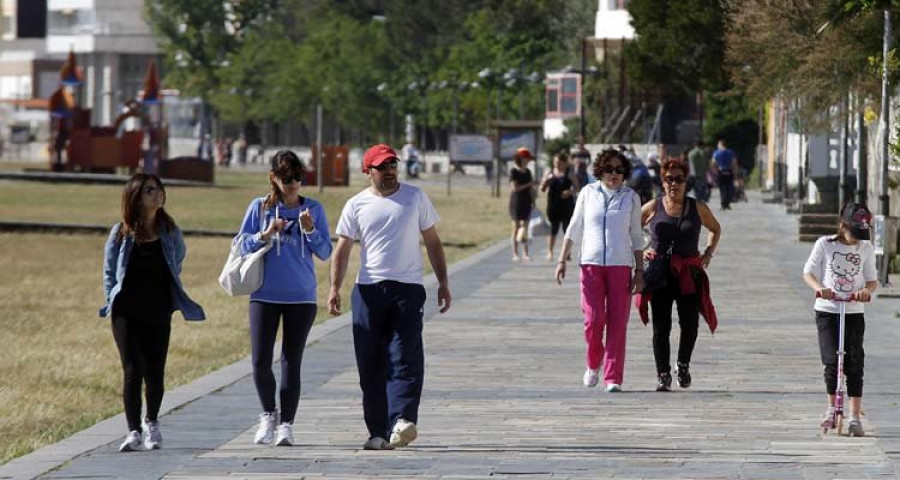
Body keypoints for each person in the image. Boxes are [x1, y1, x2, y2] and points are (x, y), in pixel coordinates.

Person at [328, 143, 452, 450]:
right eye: (383, 167)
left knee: (406, 357)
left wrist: (443, 282)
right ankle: (377, 432)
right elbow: (342, 251)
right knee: (370, 364)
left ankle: (402, 420)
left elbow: (433, 243)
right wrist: (334, 288)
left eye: (393, 165)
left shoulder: (415, 197)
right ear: (368, 171)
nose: (390, 171)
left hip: (407, 291)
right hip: (368, 292)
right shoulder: (355, 205)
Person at [233, 150, 333, 447]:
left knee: (292, 361)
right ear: (273, 178)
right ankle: (268, 415)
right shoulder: (260, 207)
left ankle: (287, 424)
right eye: (287, 179)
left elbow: (326, 252)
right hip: (264, 294)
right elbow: (241, 245)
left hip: (301, 297)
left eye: (299, 178)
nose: (293, 184)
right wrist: (263, 235)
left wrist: (310, 230)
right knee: (260, 360)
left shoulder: (313, 208)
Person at [100, 173, 206, 452]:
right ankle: (133, 430)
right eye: (150, 190)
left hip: (158, 310)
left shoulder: (170, 232)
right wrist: (111, 298)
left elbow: (177, 260)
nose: (157, 194)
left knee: (155, 371)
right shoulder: (120, 233)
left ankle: (152, 422)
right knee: (132, 369)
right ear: (135, 197)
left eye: (159, 189)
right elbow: (109, 272)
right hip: (125, 312)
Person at [555, 149, 644, 393]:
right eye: (609, 169)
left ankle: (613, 376)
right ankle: (593, 363)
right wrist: (562, 260)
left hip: (621, 265)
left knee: (618, 323)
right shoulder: (588, 193)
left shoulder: (630, 197)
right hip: (591, 265)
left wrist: (639, 271)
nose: (614, 174)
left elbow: (636, 236)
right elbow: (574, 227)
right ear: (600, 171)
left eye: (619, 170)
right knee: (594, 320)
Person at [637, 157, 722, 392]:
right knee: (661, 327)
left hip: (688, 272)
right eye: (669, 179)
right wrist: (643, 251)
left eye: (679, 179)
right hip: (660, 272)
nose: (674, 184)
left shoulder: (698, 207)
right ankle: (662, 373)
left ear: (686, 182)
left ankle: (683, 365)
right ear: (662, 182)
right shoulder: (653, 206)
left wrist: (708, 253)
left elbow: (715, 229)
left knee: (690, 324)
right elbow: (630, 228)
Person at [802, 203, 877, 437]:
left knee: (854, 361)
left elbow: (872, 279)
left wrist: (866, 291)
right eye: (854, 232)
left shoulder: (866, 248)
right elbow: (808, 272)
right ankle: (830, 408)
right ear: (843, 226)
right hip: (827, 310)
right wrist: (820, 288)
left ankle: (854, 416)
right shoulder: (825, 244)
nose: (856, 239)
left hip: (854, 311)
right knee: (831, 360)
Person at [540, 152, 580, 260]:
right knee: (553, 229)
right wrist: (546, 182)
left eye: (559, 163)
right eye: (555, 162)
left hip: (567, 205)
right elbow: (542, 189)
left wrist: (570, 192)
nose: (557, 165)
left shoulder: (569, 173)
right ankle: (550, 252)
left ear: (565, 163)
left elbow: (577, 187)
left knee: (567, 229)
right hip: (553, 204)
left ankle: (567, 253)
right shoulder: (549, 172)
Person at [509, 147, 536, 261]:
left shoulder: (529, 172)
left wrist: (533, 200)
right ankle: (515, 253)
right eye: (527, 158)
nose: (529, 160)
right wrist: (530, 184)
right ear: (521, 159)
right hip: (516, 202)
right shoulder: (513, 171)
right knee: (516, 228)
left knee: (525, 228)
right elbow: (515, 188)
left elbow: (530, 189)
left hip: (527, 201)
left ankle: (525, 253)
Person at [711, 139, 739, 210]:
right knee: (729, 187)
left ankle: (723, 204)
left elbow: (713, 163)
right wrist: (735, 173)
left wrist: (715, 171)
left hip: (721, 172)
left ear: (720, 144)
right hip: (729, 171)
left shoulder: (716, 153)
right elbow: (734, 163)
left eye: (718, 145)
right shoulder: (731, 152)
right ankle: (727, 203)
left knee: (722, 188)